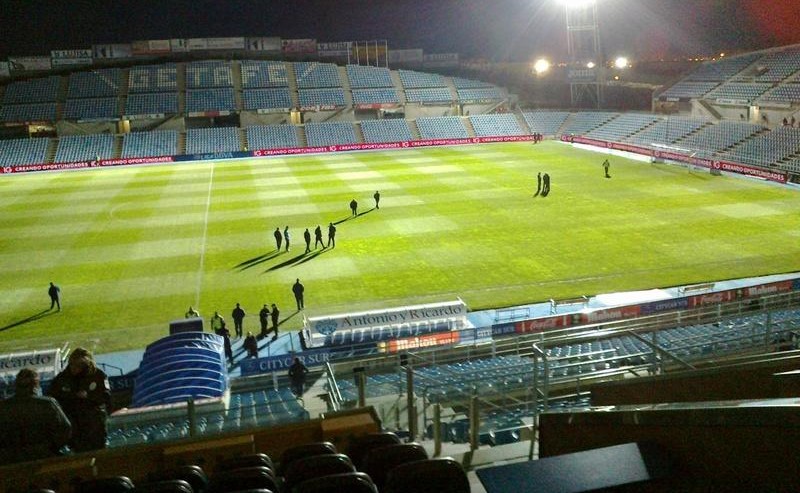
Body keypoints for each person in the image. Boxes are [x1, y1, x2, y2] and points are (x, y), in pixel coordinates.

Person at [0, 368, 72, 464]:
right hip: (45, 457)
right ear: (36, 385)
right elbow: (65, 429)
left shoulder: (4, 406)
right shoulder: (48, 404)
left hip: (12, 460)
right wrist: (51, 448)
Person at [48, 348, 111, 452]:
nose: (74, 368)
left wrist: (89, 396)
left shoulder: (98, 375)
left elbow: (105, 397)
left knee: (98, 449)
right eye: (72, 364)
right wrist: (72, 396)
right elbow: (53, 399)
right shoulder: (62, 378)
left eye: (78, 365)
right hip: (73, 423)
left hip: (94, 423)